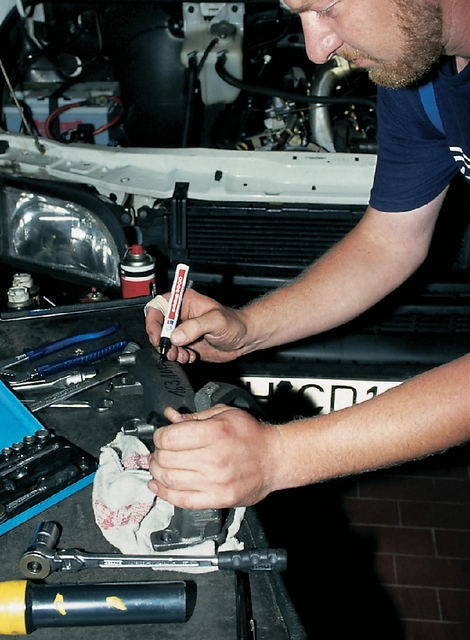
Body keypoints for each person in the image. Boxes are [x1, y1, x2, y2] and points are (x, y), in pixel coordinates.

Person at [144, 0, 470, 511]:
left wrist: (278, 457)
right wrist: (246, 330)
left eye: (328, 8)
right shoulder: (421, 75)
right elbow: (390, 241)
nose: (318, 50)